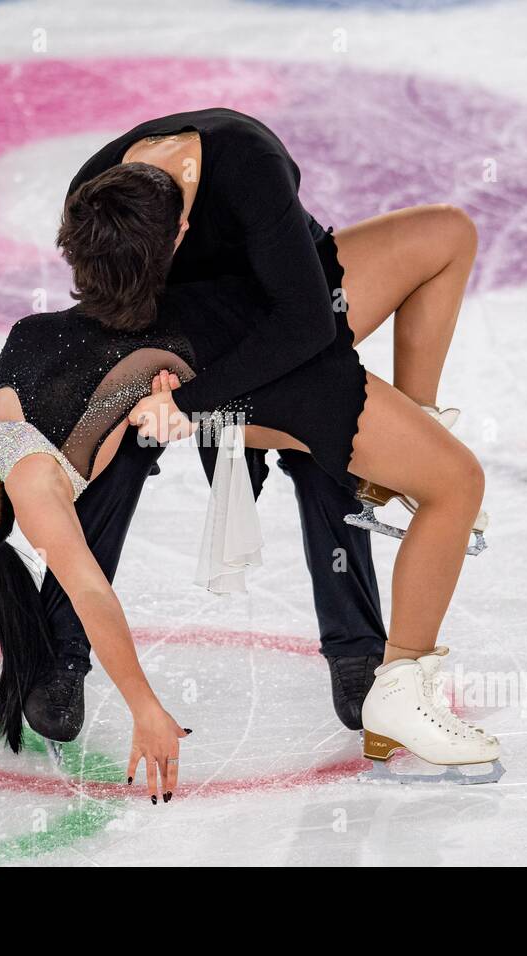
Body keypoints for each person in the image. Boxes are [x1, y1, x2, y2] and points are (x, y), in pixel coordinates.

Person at [0, 194, 498, 800]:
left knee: (446, 232)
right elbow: (89, 590)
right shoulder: (31, 479)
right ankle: (399, 687)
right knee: (453, 484)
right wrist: (145, 706)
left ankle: (406, 445)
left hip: (248, 309)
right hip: (259, 366)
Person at [30, 108, 486, 742]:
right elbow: (108, 305)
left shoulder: (248, 163)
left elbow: (304, 323)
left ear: (182, 229)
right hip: (181, 334)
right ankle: (60, 649)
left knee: (328, 419)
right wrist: (150, 387)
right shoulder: (98, 194)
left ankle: (358, 646)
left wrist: (194, 405)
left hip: (286, 309)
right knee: (120, 437)